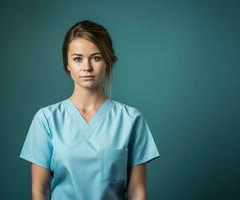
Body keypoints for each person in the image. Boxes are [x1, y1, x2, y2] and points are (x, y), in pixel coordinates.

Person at [19, 19, 161, 200]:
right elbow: (40, 192)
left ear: (108, 62)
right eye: (78, 59)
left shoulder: (130, 119)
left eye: (96, 58)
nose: (87, 67)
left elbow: (137, 192)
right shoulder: (46, 119)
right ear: (67, 64)